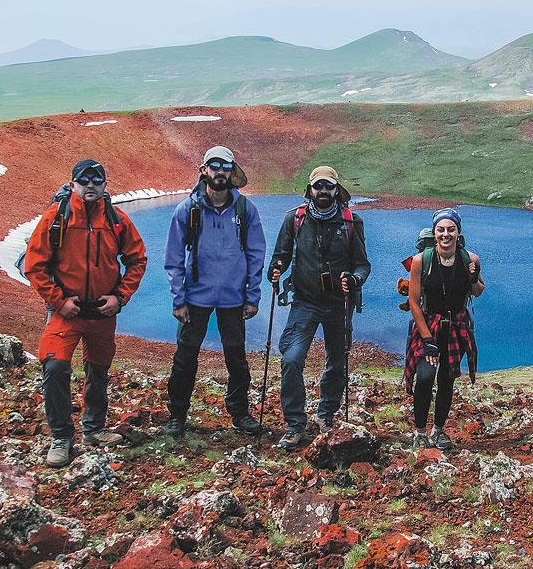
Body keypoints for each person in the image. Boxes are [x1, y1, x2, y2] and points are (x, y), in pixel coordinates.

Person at [24, 159, 147, 467]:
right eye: (84, 180)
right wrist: (58, 301)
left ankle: (93, 429)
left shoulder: (116, 219)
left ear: (105, 185)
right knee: (55, 368)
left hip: (102, 313)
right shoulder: (57, 217)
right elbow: (34, 265)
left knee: (98, 370)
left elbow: (137, 259)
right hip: (66, 312)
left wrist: (120, 297)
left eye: (96, 180)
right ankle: (61, 437)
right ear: (73, 185)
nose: (90, 185)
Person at [163, 146, 266, 436]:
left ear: (232, 172)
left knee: (237, 358)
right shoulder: (188, 209)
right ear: (204, 170)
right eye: (215, 166)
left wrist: (252, 296)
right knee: (185, 358)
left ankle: (240, 413)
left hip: (234, 298)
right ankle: (177, 415)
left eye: (226, 167)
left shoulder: (245, 209)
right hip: (195, 297)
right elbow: (173, 258)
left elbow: (256, 254)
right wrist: (178, 300)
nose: (220, 171)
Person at [268, 166, 371, 450]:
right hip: (305, 302)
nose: (323, 191)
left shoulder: (351, 222)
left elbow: (362, 265)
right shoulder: (294, 219)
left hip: (339, 304)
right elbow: (280, 256)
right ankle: (295, 424)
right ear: (310, 190)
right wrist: (275, 270)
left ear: (337, 190)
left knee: (337, 362)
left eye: (328, 186)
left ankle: (326, 415)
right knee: (291, 359)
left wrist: (354, 279)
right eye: (318, 186)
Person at [403, 208, 484, 450]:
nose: (445, 234)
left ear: (458, 232)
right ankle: (420, 432)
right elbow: (413, 302)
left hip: (456, 327)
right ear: (434, 232)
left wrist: (474, 277)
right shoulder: (421, 261)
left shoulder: (471, 259)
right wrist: (427, 339)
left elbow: (478, 291)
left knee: (448, 378)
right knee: (425, 376)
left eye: (451, 229)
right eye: (441, 229)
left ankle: (438, 431)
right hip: (428, 326)